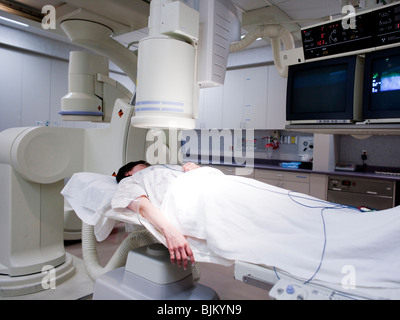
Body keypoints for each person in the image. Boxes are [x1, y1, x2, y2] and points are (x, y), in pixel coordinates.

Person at [113, 161, 201, 270]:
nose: (147, 167)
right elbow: (142, 205)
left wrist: (197, 169)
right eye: (142, 166)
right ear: (128, 173)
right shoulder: (129, 181)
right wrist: (171, 232)